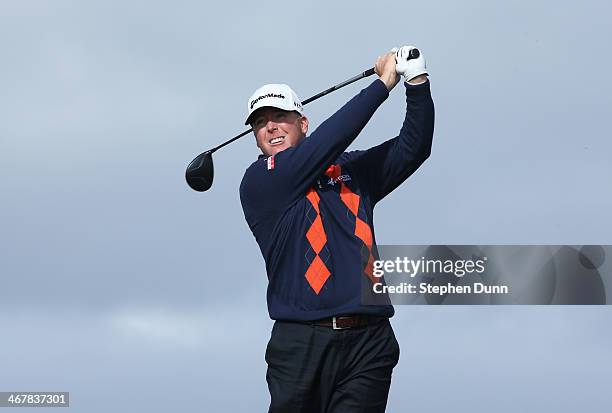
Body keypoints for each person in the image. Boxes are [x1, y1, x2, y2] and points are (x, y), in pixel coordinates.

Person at [239, 45, 435, 413]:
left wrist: (417, 83)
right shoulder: (261, 181)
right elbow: (330, 141)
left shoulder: (351, 171)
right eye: (260, 122)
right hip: (301, 343)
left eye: (280, 116)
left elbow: (414, 148)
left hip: (369, 341)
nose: (270, 126)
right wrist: (381, 87)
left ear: (302, 123)